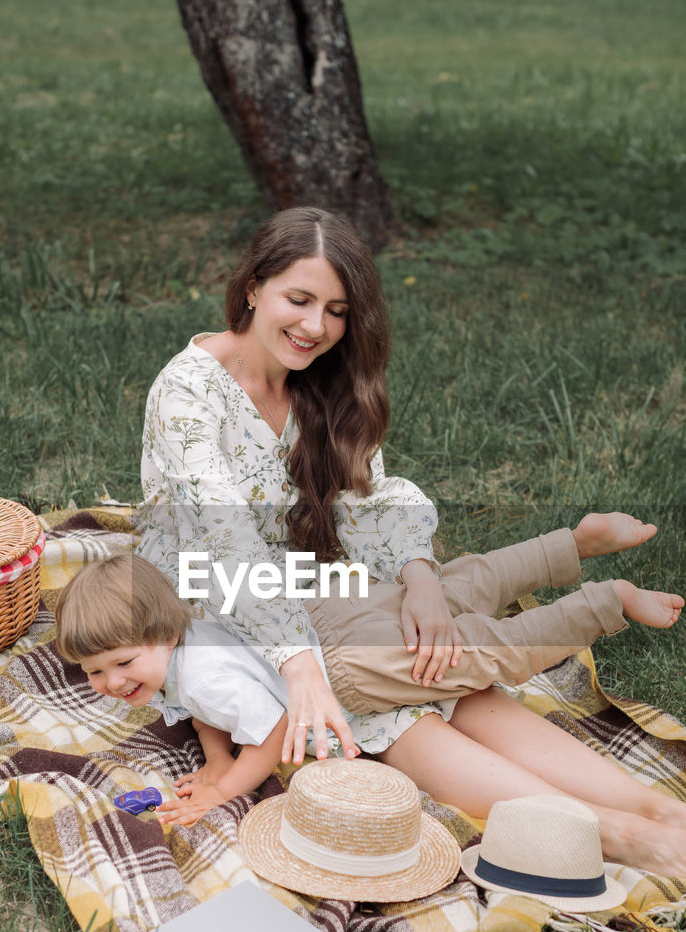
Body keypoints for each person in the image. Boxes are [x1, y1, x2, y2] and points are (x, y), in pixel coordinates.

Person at [136, 205, 686, 874]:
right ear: (252, 287)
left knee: (426, 651)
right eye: (298, 299)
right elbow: (226, 546)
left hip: (307, 576)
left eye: (336, 310)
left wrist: (419, 580)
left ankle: (655, 809)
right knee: (368, 689)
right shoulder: (186, 393)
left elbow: (372, 496)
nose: (315, 327)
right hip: (214, 596)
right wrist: (299, 668)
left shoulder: (320, 379)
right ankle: (610, 833)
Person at [55, 550, 682, 830]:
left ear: (162, 634)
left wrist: (225, 785)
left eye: (120, 663)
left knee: (494, 655)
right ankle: (568, 550)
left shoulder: (203, 675)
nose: (109, 685)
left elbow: (273, 730)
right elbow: (204, 712)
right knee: (464, 602)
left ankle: (604, 603)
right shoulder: (186, 651)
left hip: (360, 684)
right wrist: (216, 754)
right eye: (91, 672)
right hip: (346, 624)